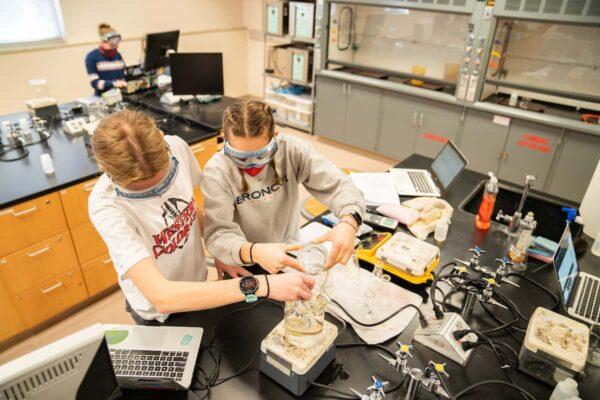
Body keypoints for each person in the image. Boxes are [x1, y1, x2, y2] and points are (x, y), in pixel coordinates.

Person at [88, 109, 315, 325]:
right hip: (158, 315)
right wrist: (261, 284)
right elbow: (162, 297)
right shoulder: (107, 207)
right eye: (145, 192)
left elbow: (188, 208)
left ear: (162, 139)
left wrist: (220, 248)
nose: (160, 194)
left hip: (197, 285)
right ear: (107, 171)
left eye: (165, 181)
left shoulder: (176, 147)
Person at [202, 100, 365, 279]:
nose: (252, 165)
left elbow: (339, 184)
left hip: (289, 247)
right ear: (224, 137)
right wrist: (249, 252)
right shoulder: (217, 171)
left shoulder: (291, 150)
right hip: (242, 257)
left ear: (275, 134)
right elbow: (218, 233)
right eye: (241, 157)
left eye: (262, 155)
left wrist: (349, 221)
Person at [85, 23, 127, 96]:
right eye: (111, 45)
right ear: (103, 42)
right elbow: (94, 82)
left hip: (120, 94)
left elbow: (124, 75)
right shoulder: (91, 57)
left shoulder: (117, 55)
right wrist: (113, 83)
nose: (114, 48)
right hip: (103, 97)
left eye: (116, 46)